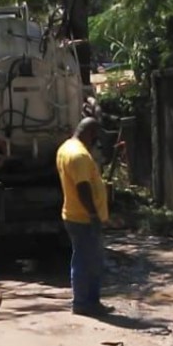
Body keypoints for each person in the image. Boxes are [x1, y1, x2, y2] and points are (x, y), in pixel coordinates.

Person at [56, 117, 112, 316]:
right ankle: (84, 303)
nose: (95, 142)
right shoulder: (79, 155)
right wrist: (93, 214)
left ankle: (88, 301)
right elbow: (82, 187)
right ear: (89, 133)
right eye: (95, 137)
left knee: (84, 258)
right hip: (83, 218)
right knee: (89, 261)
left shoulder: (66, 147)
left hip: (73, 214)